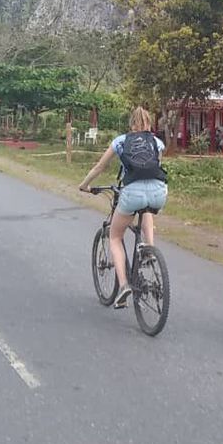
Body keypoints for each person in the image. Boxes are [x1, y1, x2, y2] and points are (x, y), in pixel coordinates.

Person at [79, 107, 167, 309]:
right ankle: (149, 250)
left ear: (131, 124)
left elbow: (99, 167)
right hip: (159, 192)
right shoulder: (156, 142)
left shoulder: (120, 141)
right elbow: (155, 169)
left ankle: (124, 286)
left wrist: (84, 185)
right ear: (148, 124)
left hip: (132, 192)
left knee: (115, 236)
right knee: (147, 209)